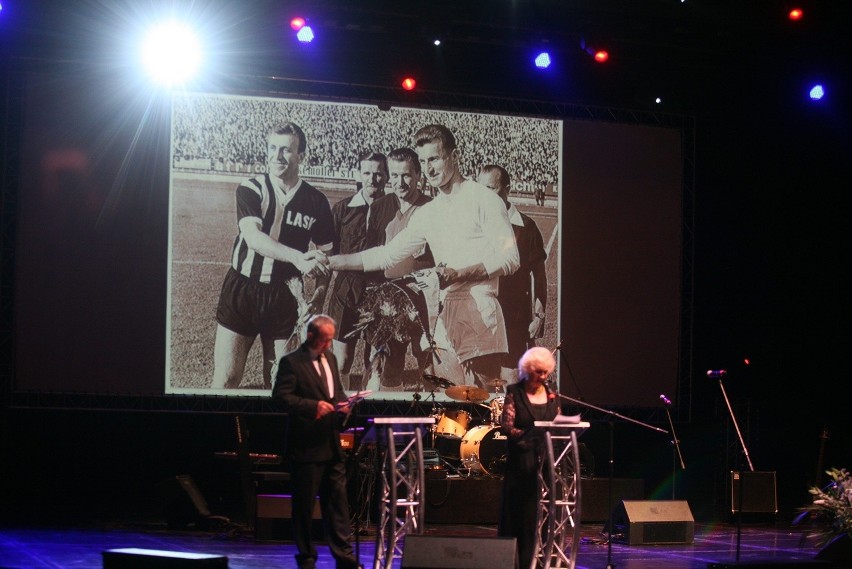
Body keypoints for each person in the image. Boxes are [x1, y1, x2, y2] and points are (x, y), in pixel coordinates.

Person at [322, 124, 519, 389]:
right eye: (424, 161)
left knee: (482, 404)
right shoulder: (429, 212)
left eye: (435, 159)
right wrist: (331, 261)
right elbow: (387, 255)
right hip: (443, 310)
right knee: (449, 406)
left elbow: (510, 258)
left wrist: (460, 273)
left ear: (455, 156)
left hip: (480, 311)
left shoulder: (484, 199)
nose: (429, 169)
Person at [211, 122, 334, 390]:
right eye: (272, 148)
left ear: (301, 155)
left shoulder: (316, 201)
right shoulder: (251, 188)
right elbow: (254, 239)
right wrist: (299, 258)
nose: (277, 156)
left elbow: (327, 254)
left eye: (286, 150)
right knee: (227, 377)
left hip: (286, 296)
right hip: (243, 289)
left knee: (280, 382)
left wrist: (320, 293)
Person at [271, 314, 359, 569]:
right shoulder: (292, 363)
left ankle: (344, 557)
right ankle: (307, 558)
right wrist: (312, 406)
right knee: (304, 507)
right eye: (325, 340)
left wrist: (345, 404)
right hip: (306, 448)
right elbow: (280, 398)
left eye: (331, 340)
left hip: (331, 444)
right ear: (311, 336)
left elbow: (336, 392)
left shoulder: (330, 358)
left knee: (338, 505)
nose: (329, 345)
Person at [364, 147, 435, 390]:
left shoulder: (433, 209)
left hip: (423, 300)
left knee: (428, 367)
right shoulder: (380, 207)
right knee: (390, 369)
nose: (400, 182)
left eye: (406, 175)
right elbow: (372, 254)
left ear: (418, 175)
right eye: (394, 176)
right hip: (389, 301)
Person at [477, 165, 547, 384]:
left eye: (491, 189)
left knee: (510, 375)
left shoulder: (526, 227)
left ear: (506, 189)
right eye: (481, 190)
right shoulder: (473, 223)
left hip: (514, 315)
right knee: (482, 377)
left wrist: (538, 315)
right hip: (480, 311)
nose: (484, 196)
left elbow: (539, 273)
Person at [328, 151, 388, 390]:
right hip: (346, 290)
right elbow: (330, 252)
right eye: (367, 173)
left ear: (386, 176)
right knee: (341, 361)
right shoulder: (343, 209)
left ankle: (366, 408)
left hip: (381, 291)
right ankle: (341, 411)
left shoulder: (393, 209)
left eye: (378, 174)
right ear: (358, 175)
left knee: (374, 362)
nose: (372, 179)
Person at [498, 346, 560, 569]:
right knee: (523, 516)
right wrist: (529, 436)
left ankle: (545, 560)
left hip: (548, 460)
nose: (542, 377)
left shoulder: (552, 393)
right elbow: (507, 426)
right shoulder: (515, 392)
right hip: (522, 462)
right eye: (538, 372)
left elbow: (559, 424)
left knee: (546, 513)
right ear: (527, 370)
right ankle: (520, 562)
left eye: (545, 372)